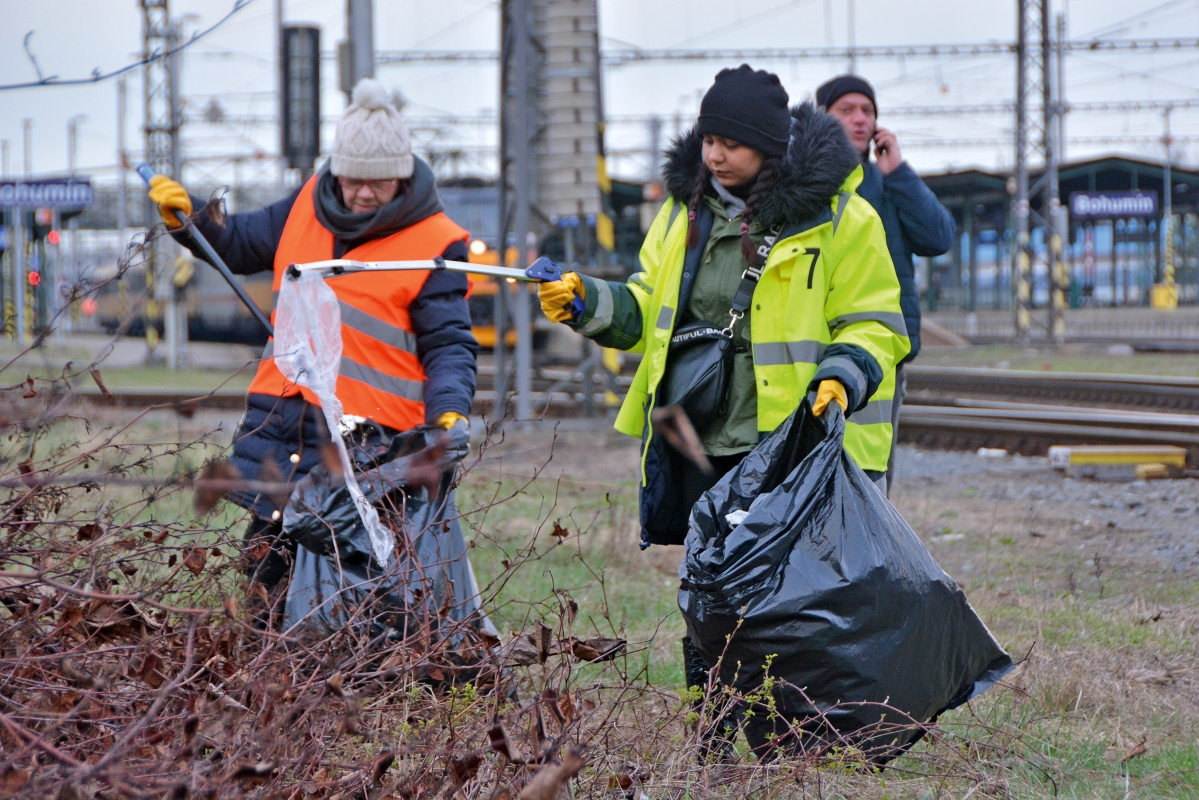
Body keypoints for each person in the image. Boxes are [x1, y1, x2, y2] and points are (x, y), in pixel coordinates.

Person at [537, 64, 909, 751]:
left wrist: (840, 378)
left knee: (786, 598)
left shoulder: (841, 219)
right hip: (698, 436)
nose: (713, 154)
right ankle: (707, 731)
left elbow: (875, 325)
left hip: (785, 443)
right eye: (707, 138)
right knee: (705, 594)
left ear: (767, 145)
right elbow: (651, 309)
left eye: (729, 143)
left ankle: (792, 738)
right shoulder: (684, 214)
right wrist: (590, 303)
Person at [147, 78, 478, 613]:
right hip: (283, 430)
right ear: (336, 172)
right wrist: (191, 221)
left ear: (404, 175)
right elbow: (235, 242)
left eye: (381, 182)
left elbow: (449, 346)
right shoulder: (306, 202)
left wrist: (448, 413)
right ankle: (269, 682)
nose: (365, 193)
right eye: (353, 180)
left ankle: (353, 685)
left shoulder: (436, 243)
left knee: (365, 592)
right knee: (266, 570)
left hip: (367, 447)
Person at [816, 74, 956, 492]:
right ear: (820, 119)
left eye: (867, 111)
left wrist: (899, 171)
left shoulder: (889, 184)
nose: (860, 119)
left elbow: (938, 237)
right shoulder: (808, 186)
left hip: (884, 349)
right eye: (846, 110)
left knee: (873, 471)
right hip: (816, 347)